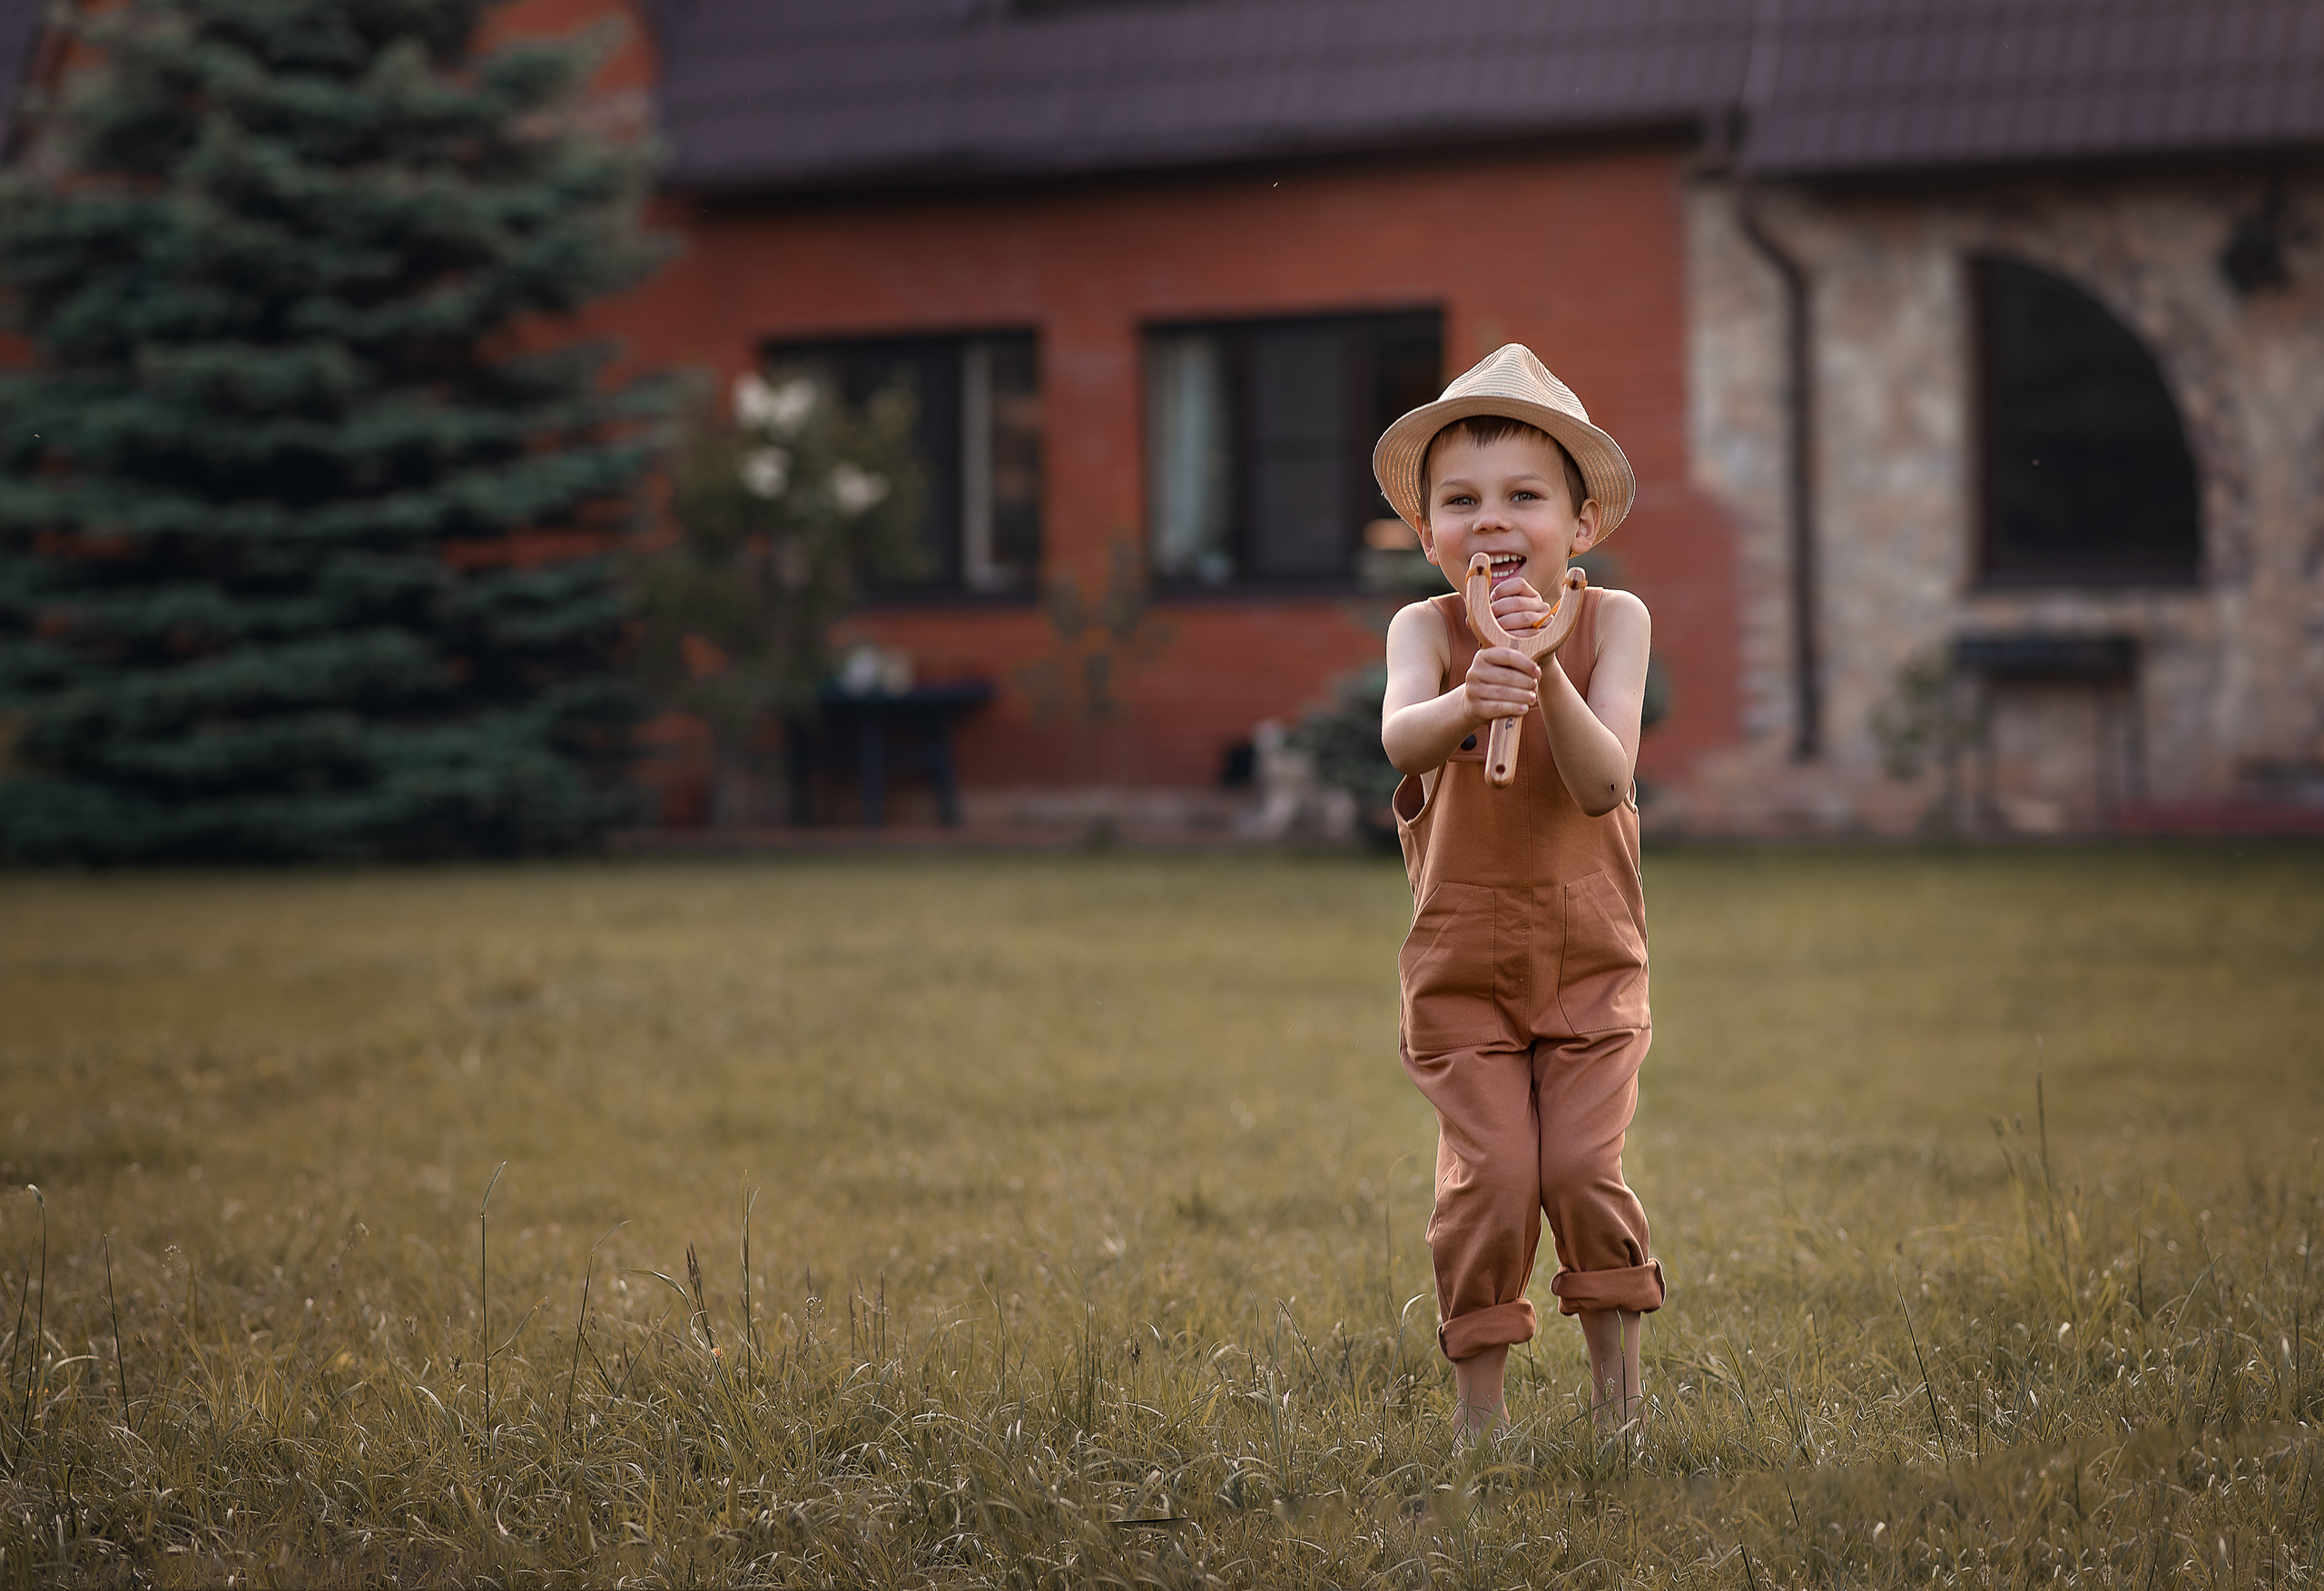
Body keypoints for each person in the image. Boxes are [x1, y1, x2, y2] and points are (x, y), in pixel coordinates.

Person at [1374, 344, 1663, 1439]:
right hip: (1462, 970)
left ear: (1579, 527)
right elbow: (1400, 735)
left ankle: (1616, 1413)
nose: (1489, 522)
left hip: (1587, 961)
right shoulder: (1424, 631)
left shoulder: (1613, 623)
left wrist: (1539, 669)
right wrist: (1463, 700)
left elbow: (1605, 783)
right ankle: (1479, 1422)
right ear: (1428, 532)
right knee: (1490, 1186)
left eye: (1522, 498)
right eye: (1461, 501)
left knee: (1584, 1172)